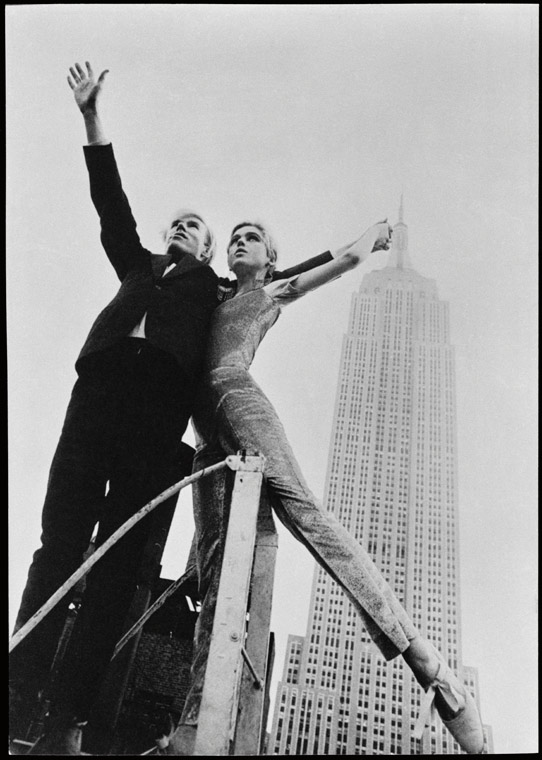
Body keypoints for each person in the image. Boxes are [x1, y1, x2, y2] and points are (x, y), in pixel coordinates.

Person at [9, 63, 335, 756]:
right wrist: (92, 119)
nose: (186, 228)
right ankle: (15, 695)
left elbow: (276, 281)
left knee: (117, 566)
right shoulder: (139, 266)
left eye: (198, 227)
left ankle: (65, 718)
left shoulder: (216, 290)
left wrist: (348, 252)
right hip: (93, 400)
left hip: (156, 421)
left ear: (212, 251)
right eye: (179, 223)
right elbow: (110, 204)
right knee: (57, 542)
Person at [165, 221, 485, 755]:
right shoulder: (210, 294)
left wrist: (369, 239)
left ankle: (430, 667)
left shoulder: (270, 291)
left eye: (253, 236)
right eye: (235, 236)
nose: (241, 240)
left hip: (237, 400)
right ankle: (194, 723)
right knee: (215, 568)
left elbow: (337, 262)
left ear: (271, 258)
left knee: (306, 516)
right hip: (207, 439)